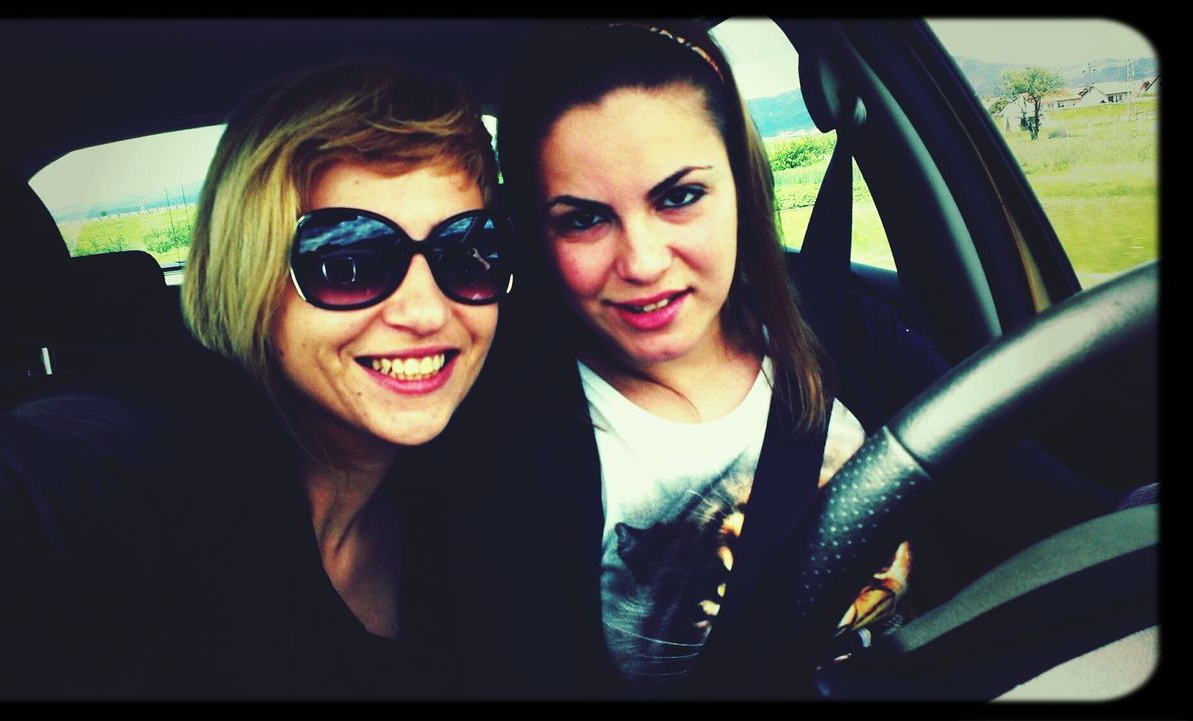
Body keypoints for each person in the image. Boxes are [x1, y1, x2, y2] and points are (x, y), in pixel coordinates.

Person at [439, 20, 1119, 699]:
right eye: (583, 219)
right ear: (534, 235)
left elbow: (1048, 516)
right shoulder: (509, 438)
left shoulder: (845, 333)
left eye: (679, 197)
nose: (642, 262)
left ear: (741, 186)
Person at [0, 57, 511, 699]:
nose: (427, 311)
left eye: (467, 251)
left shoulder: (473, 488)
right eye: (349, 261)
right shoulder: (169, 460)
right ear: (254, 273)